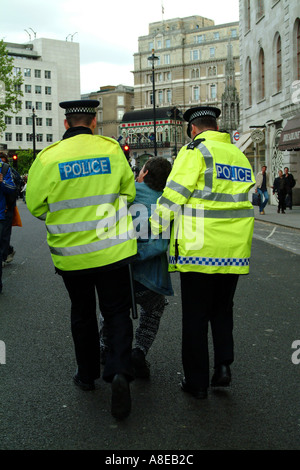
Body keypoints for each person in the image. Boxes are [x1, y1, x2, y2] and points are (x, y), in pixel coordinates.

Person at [26, 99, 137, 420]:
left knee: (83, 312)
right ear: (93, 122)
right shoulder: (112, 150)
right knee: (116, 311)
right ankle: (118, 371)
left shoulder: (48, 158)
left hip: (71, 255)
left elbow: (35, 206)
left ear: (66, 124)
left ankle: (86, 376)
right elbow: (129, 195)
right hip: (114, 250)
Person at [150, 106, 255, 399]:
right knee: (222, 310)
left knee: (195, 316)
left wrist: (152, 227)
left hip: (199, 249)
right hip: (233, 250)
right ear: (216, 126)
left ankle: (196, 382)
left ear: (192, 129)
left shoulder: (194, 151)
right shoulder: (238, 155)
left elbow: (173, 196)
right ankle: (223, 367)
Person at [99, 157, 174, 378]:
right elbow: (161, 244)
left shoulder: (126, 194)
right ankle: (140, 351)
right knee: (154, 308)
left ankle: (105, 345)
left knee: (111, 307)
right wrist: (141, 254)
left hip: (121, 271)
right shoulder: (164, 202)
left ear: (145, 173)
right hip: (151, 278)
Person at [0, 153, 20, 266]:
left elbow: (13, 187)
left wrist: (2, 182)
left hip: (6, 208)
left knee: (4, 235)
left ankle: (3, 255)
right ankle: (8, 250)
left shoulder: (7, 169)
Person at [0, 158, 16, 293]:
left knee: (2, 241)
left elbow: (12, 188)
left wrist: (2, 182)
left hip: (1, 215)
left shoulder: (4, 168)